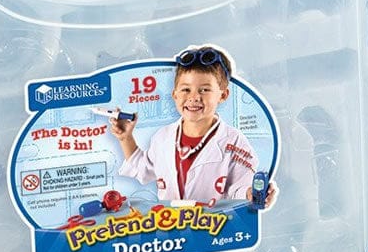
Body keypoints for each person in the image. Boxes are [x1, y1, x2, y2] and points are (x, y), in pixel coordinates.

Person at [109, 46, 273, 207]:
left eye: (204, 90)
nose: (194, 97)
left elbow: (240, 187)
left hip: (214, 222)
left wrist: (251, 193)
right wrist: (125, 138)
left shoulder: (234, 141)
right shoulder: (162, 137)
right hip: (169, 222)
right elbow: (143, 169)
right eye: (186, 89)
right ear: (174, 94)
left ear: (223, 95)